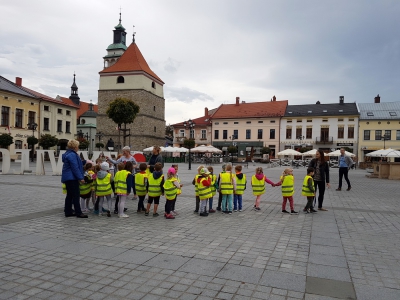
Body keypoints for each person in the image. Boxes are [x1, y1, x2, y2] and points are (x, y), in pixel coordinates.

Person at [61, 139, 88, 218]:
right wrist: (80, 178)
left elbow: (76, 164)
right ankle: (78, 212)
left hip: (68, 177)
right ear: (75, 146)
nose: (78, 147)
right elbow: (75, 167)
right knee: (76, 195)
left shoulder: (69, 154)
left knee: (70, 195)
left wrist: (85, 162)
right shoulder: (72, 155)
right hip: (71, 178)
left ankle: (68, 211)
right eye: (78, 146)